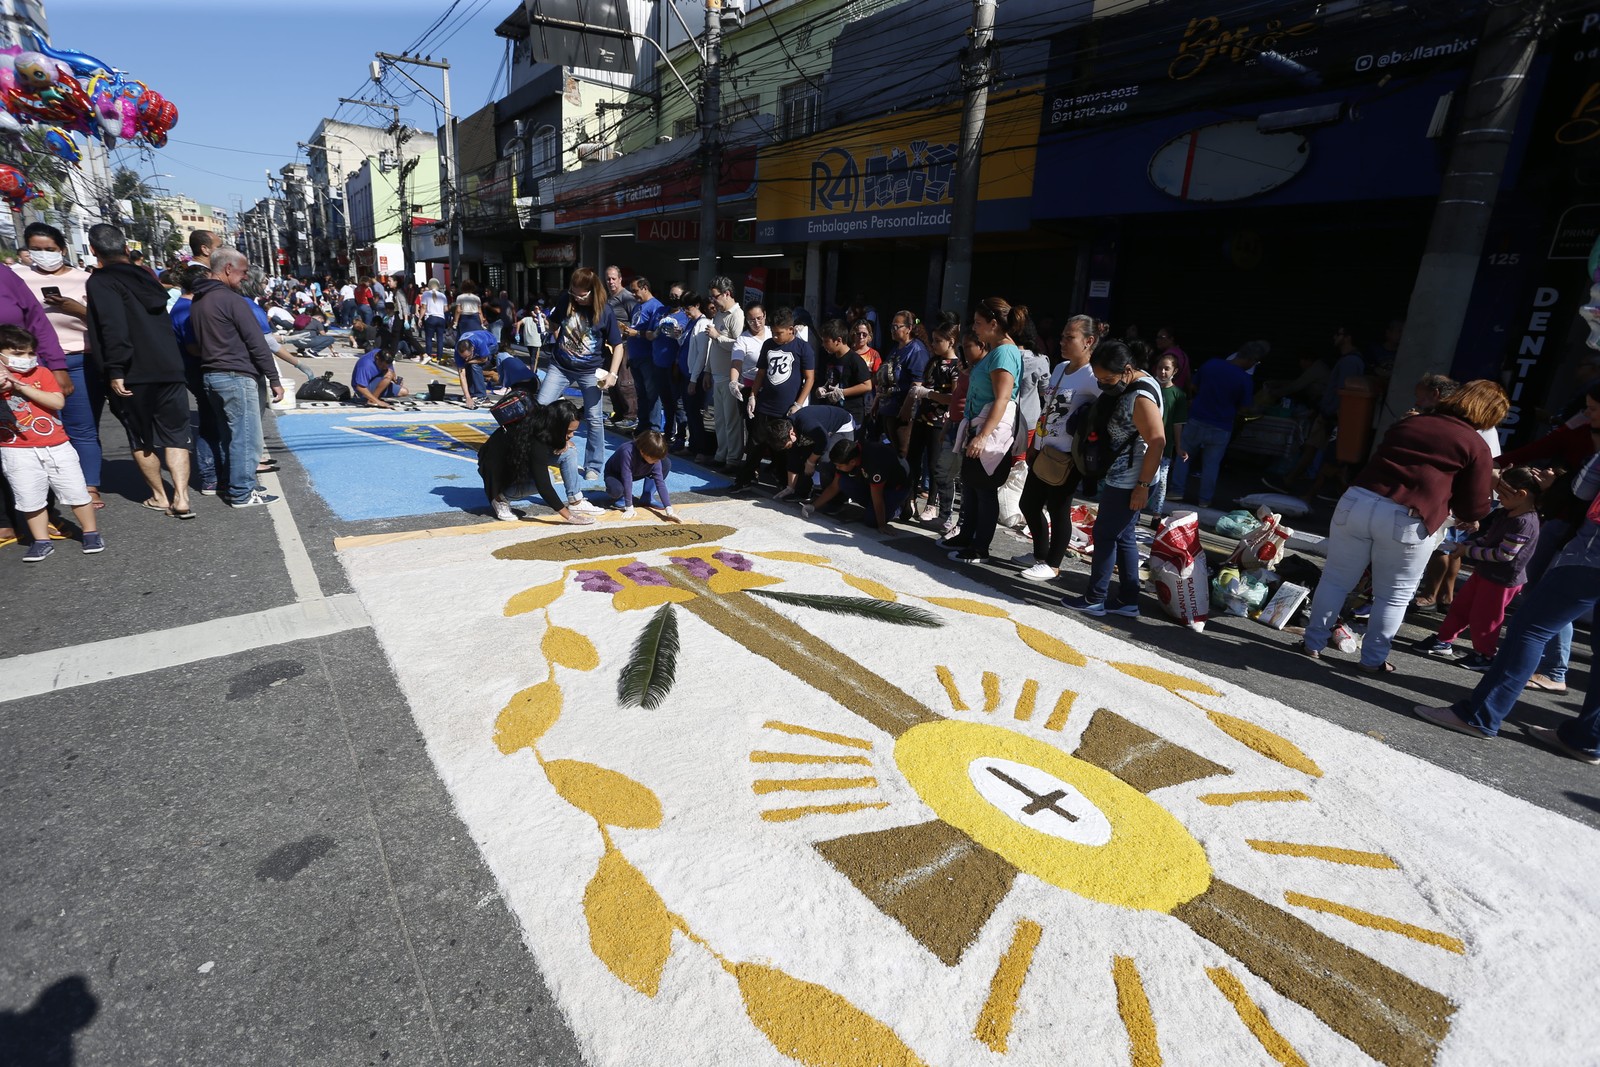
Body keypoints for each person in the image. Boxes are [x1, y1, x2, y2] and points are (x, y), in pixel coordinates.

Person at [1297, 379, 1503, 672]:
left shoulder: (1410, 423)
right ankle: (1372, 660)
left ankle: (1312, 643)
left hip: (1357, 500)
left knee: (1335, 579)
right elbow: (1474, 506)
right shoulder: (1475, 444)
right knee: (1393, 595)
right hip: (1408, 517)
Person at [1412, 450, 1600, 763]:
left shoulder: (1525, 521)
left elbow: (1581, 488)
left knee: (1530, 630)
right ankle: (1587, 738)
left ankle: (1480, 715)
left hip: (1591, 558)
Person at [86, 223, 197, 518]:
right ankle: (182, 497)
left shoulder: (100, 281)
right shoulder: (148, 278)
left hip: (133, 371)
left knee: (141, 437)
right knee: (176, 435)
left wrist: (115, 369)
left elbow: (113, 327)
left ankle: (161, 496)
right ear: (125, 248)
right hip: (169, 366)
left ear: (94, 251)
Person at [1062, 341, 1166, 616]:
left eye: (1107, 379)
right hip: (1128, 476)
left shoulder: (1141, 396)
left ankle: (1095, 597)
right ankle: (1128, 600)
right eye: (1098, 379)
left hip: (1130, 479)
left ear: (1127, 370)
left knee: (1105, 534)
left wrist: (1142, 486)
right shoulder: (1140, 382)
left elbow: (1157, 442)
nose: (1103, 384)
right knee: (1124, 535)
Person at [1414, 466, 1542, 670]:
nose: (1497, 497)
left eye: (1501, 493)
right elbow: (1489, 539)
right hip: (1485, 573)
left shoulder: (1525, 522)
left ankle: (1486, 655)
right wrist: (1467, 546)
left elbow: (1504, 554)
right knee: (1460, 607)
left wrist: (1467, 552)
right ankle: (1443, 640)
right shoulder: (1506, 513)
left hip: (1501, 580)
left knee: (1485, 619)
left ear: (1521, 494)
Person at [13, 222, 100, 508]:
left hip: (78, 359)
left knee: (82, 427)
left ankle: (88, 487)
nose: (43, 255)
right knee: (37, 427)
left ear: (62, 250)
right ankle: (45, 489)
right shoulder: (17, 277)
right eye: (36, 249)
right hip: (31, 363)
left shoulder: (84, 279)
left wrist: (76, 310)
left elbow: (102, 324)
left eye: (49, 249)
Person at [191, 248, 284, 508]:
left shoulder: (199, 300)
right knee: (246, 438)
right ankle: (243, 492)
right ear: (228, 268)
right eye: (243, 272)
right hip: (236, 375)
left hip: (211, 375)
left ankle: (236, 483)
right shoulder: (232, 301)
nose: (245, 278)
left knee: (229, 436)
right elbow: (257, 344)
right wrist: (274, 379)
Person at [0, 325, 102, 559]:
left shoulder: (41, 374)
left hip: (56, 446)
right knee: (29, 497)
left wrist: (19, 385)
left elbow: (57, 403)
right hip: (16, 450)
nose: (26, 359)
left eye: (29, 353)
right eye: (17, 354)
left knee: (76, 491)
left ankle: (90, 533)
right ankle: (41, 540)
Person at [942, 297, 1027, 565]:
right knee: (971, 485)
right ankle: (967, 536)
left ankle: (980, 547)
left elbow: (1002, 398)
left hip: (989, 430)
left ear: (993, 324)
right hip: (977, 423)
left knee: (984, 490)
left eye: (978, 323)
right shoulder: (996, 350)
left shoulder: (1004, 352)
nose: (975, 328)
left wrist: (982, 435)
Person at [1015, 315, 1100, 581]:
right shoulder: (1061, 367)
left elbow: (1106, 409)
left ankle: (1052, 564)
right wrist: (1035, 443)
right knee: (1028, 503)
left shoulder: (1092, 375)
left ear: (1089, 341)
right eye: (1062, 336)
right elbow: (1048, 406)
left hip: (1068, 456)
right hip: (1043, 448)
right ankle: (1040, 554)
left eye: (1069, 337)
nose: (1063, 342)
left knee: (1058, 508)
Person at [536, 267, 624, 483]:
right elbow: (554, 323)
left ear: (592, 291)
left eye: (581, 295)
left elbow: (618, 346)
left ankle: (593, 465)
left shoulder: (605, 311)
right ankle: (542, 455)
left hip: (590, 371)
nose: (576, 298)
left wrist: (612, 374)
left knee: (594, 418)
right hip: (561, 365)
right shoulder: (566, 299)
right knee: (541, 406)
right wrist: (548, 327)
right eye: (573, 293)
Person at [1266, 326, 1366, 497]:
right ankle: (1293, 482)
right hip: (1329, 413)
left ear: (1348, 338)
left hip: (1333, 415)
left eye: (1339, 334)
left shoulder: (1350, 362)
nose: (1335, 337)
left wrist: (1332, 413)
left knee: (1329, 457)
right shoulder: (1347, 360)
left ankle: (1311, 490)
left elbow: (1343, 392)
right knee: (1314, 449)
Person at [1169, 340, 1265, 507]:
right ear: (1251, 360)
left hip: (1197, 418)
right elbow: (1244, 408)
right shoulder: (1245, 380)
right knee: (1211, 465)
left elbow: (1193, 385)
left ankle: (1176, 491)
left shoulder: (1212, 364)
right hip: (1221, 426)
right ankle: (1204, 500)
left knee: (1183, 456)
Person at [476, 398, 597, 525]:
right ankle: (500, 498)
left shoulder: (544, 420)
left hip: (517, 456)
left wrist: (563, 440)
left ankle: (575, 501)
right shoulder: (537, 441)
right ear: (557, 427)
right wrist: (569, 517)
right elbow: (543, 485)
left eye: (573, 431)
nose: (572, 435)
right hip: (497, 466)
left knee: (569, 452)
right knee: (547, 478)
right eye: (568, 431)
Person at [734, 306, 815, 492]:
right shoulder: (769, 344)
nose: (775, 336)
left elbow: (809, 378)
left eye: (779, 333)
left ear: (791, 330)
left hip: (787, 407)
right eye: (773, 332)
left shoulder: (803, 348)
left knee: (782, 448)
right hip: (765, 403)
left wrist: (798, 403)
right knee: (755, 443)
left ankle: (784, 482)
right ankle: (744, 479)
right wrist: (753, 395)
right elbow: (761, 373)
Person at [806, 439, 911, 531]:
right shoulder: (850, 454)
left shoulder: (873, 462)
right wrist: (813, 506)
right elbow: (834, 486)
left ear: (852, 462)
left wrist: (882, 525)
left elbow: (877, 497)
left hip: (896, 487)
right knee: (843, 482)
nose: (837, 468)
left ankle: (900, 507)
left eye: (839, 466)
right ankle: (873, 509)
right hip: (873, 484)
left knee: (872, 522)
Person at [760, 404, 855, 501]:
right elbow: (793, 459)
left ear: (792, 434)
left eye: (787, 445)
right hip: (820, 433)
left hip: (841, 425)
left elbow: (824, 442)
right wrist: (790, 487)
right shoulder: (788, 430)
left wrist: (811, 461)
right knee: (803, 458)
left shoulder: (806, 424)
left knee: (826, 461)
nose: (787, 447)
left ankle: (837, 498)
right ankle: (803, 493)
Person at [704, 278, 746, 469]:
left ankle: (733, 458)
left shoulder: (736, 315)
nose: (713, 301)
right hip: (717, 374)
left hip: (731, 376)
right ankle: (722, 454)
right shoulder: (720, 314)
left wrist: (718, 337)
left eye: (715, 296)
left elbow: (739, 346)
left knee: (731, 421)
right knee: (719, 420)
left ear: (727, 293)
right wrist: (707, 370)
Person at [1145, 350, 1189, 524]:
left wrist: (1178, 446)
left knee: (1161, 482)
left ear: (1175, 371)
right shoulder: (1148, 387)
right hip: (1144, 443)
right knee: (1143, 478)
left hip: (1164, 445)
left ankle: (1156, 515)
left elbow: (1177, 424)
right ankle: (1136, 511)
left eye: (1167, 369)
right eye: (1160, 368)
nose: (1162, 372)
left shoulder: (1178, 395)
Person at [882, 311, 931, 458]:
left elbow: (917, 382)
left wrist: (907, 407)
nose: (893, 330)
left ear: (909, 328)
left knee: (904, 451)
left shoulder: (916, 350)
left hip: (903, 409)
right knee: (894, 448)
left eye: (897, 326)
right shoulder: (897, 348)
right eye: (892, 326)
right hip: (889, 407)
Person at [603, 428, 680, 521]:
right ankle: (623, 496)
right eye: (654, 459)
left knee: (665, 463)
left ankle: (648, 496)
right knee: (616, 490)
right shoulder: (627, 451)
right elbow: (626, 477)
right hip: (616, 473)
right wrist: (629, 506)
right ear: (642, 452)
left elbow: (659, 481)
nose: (656, 461)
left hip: (637, 471)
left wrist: (668, 508)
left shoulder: (653, 458)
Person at [619, 277, 665, 431]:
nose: (634, 295)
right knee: (641, 394)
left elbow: (656, 333)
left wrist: (636, 333)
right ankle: (643, 424)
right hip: (635, 356)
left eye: (635, 291)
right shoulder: (638, 306)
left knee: (652, 394)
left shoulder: (657, 307)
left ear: (645, 288)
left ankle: (654, 428)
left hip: (648, 357)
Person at [814, 317, 872, 428]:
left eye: (826, 341)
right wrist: (823, 389)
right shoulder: (831, 358)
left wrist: (842, 392)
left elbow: (867, 385)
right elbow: (831, 380)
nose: (823, 345)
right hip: (833, 413)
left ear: (839, 340)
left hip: (851, 416)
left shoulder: (854, 360)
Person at [602, 265, 639, 430]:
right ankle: (618, 412)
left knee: (625, 382)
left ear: (620, 279)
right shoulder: (608, 299)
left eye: (613, 278)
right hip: (608, 347)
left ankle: (631, 415)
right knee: (611, 382)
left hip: (624, 347)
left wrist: (625, 330)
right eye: (608, 278)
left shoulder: (627, 297)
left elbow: (637, 321)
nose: (610, 282)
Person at [455, 330, 496, 408]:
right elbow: (462, 376)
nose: (466, 359)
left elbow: (484, 359)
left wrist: (469, 362)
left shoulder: (480, 343)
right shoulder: (457, 352)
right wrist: (467, 397)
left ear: (473, 349)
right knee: (465, 366)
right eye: (463, 357)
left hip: (491, 343)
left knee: (475, 365)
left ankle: (482, 396)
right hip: (476, 339)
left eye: (467, 356)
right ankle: (472, 393)